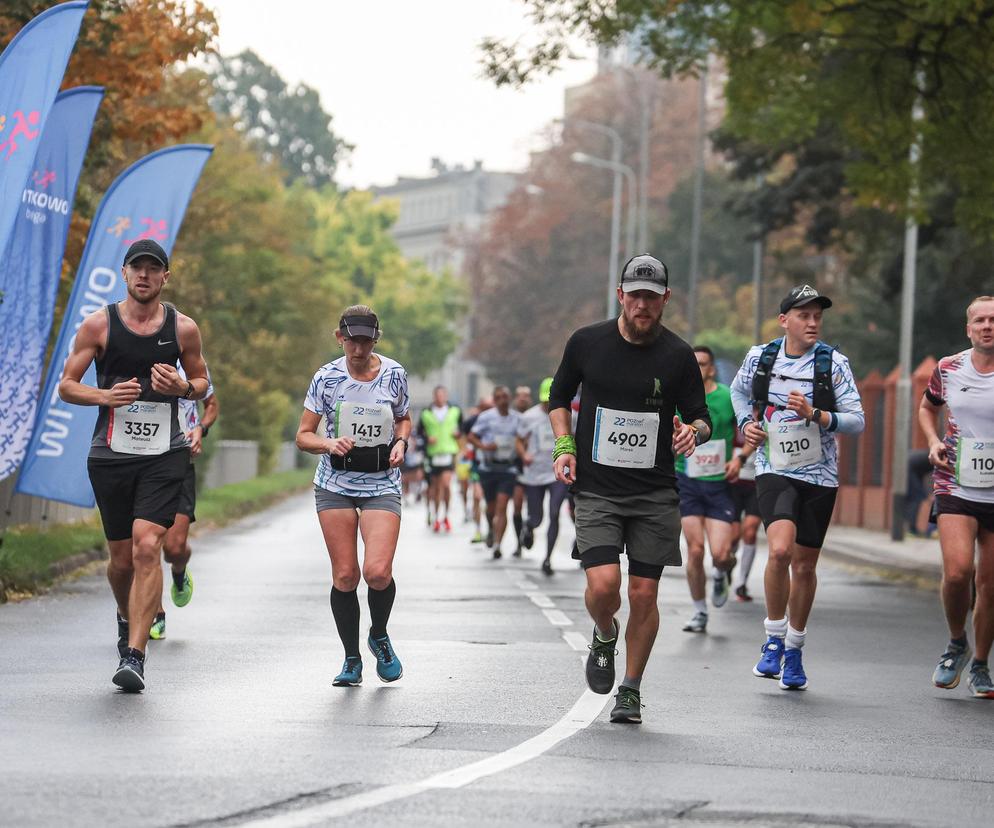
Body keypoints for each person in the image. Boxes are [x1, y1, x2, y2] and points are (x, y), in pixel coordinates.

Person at [550, 254, 711, 724]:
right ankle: (604, 634)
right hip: (597, 488)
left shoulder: (678, 356)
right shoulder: (586, 342)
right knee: (604, 586)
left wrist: (692, 433)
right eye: (634, 295)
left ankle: (631, 688)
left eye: (652, 297)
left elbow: (703, 417)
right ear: (621, 295)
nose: (642, 304)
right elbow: (559, 397)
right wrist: (564, 445)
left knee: (644, 594)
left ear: (665, 300)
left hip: (655, 492)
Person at [58, 239, 210, 692]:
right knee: (121, 560)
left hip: (165, 455)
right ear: (124, 274)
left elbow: (202, 382)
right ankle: (125, 616)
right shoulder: (98, 326)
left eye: (153, 269)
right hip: (110, 457)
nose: (144, 275)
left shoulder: (183, 329)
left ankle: (136, 656)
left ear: (166, 277)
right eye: (136, 268)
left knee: (148, 548)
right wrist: (104, 396)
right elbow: (67, 386)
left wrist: (183, 387)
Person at [731, 284, 864, 691]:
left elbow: (857, 420)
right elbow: (739, 393)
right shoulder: (761, 357)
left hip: (821, 477)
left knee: (805, 565)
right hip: (775, 468)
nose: (812, 323)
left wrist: (818, 415)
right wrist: (745, 425)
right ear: (784, 320)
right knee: (782, 549)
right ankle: (773, 639)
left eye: (817, 316)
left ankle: (795, 648)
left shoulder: (833, 364)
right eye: (804, 316)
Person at [295, 305, 411, 687]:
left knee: (377, 572)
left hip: (381, 483)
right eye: (351, 340)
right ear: (339, 336)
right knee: (346, 575)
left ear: (375, 339)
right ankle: (351, 659)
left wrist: (402, 441)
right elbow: (304, 435)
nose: (358, 348)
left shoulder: (394, 374)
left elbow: (403, 415)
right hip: (336, 485)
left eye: (365, 340)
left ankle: (378, 633)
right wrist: (328, 443)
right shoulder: (326, 378)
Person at [920, 296, 994, 698]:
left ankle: (981, 663)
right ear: (969, 328)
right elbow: (926, 408)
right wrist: (932, 441)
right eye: (980, 320)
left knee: (990, 583)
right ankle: (956, 642)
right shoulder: (949, 368)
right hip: (955, 483)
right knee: (957, 573)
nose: (987, 326)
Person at [149, 363, 219, 640]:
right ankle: (156, 615)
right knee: (147, 544)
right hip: (140, 459)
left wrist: (200, 429)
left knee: (174, 548)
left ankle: (179, 572)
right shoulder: (131, 355)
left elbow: (211, 404)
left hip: (179, 460)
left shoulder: (189, 363)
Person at [677, 345, 739, 633]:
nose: (698, 369)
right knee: (696, 550)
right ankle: (700, 611)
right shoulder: (678, 396)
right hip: (686, 480)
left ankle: (721, 573)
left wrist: (741, 458)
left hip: (718, 485)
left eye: (702, 364)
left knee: (722, 553)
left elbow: (752, 427)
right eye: (693, 364)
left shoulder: (727, 397)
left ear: (711, 368)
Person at [516, 377, 570, 575]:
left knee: (555, 512)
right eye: (546, 401)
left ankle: (548, 558)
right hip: (535, 473)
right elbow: (519, 441)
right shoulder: (528, 417)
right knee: (537, 518)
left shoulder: (567, 415)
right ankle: (528, 525)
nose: (549, 405)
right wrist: (524, 454)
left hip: (557, 473)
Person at [468, 386, 522, 559]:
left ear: (510, 398)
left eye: (505, 396)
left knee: (502, 506)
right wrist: (484, 447)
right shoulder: (486, 417)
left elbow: (523, 439)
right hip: (489, 468)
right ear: (494, 399)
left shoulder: (517, 419)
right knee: (490, 508)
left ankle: (498, 544)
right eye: (498, 397)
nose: (502, 400)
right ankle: (491, 528)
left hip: (508, 468)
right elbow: (471, 436)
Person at [419, 386, 462, 533]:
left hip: (449, 452)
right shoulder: (426, 413)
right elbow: (419, 432)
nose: (440, 398)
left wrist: (458, 434)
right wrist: (427, 438)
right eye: (437, 395)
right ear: (434, 396)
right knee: (436, 488)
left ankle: (446, 515)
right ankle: (437, 516)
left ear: (446, 396)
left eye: (443, 395)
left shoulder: (455, 411)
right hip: (433, 453)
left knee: (446, 484)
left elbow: (462, 428)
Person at [729, 438, 761, 602]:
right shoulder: (734, 420)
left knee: (750, 530)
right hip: (733, 484)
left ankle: (741, 583)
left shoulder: (766, 415)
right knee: (733, 537)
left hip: (757, 485)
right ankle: (727, 564)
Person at [461, 396, 493, 544]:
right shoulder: (473, 421)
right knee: (477, 497)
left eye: (490, 408)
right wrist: (466, 450)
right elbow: (463, 436)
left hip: (495, 466)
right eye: (484, 408)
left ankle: (491, 529)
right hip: (477, 465)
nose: (487, 411)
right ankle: (479, 530)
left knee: (490, 500)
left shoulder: (498, 420)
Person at [510, 385, 533, 556]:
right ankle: (518, 542)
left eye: (526, 396)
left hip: (534, 468)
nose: (523, 398)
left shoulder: (535, 416)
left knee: (534, 507)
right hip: (517, 465)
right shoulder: (511, 418)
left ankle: (530, 527)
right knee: (517, 505)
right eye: (520, 396)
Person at [905, 449, 934, 538]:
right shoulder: (939, 458)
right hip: (909, 468)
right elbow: (936, 477)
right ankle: (911, 529)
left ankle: (910, 527)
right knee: (915, 499)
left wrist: (927, 493)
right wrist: (930, 494)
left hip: (913, 470)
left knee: (912, 498)